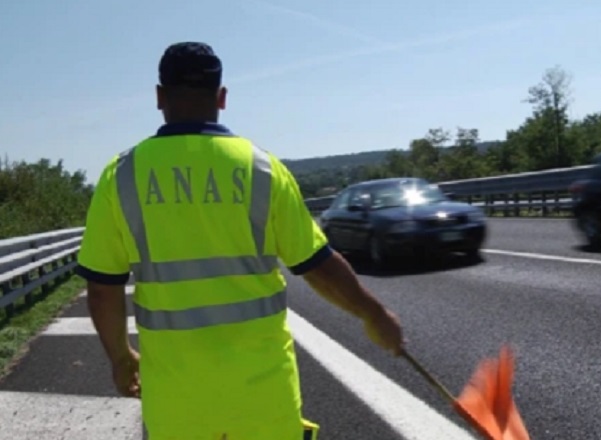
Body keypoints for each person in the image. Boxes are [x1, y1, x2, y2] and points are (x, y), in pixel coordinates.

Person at [75, 41, 405, 440]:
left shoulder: (121, 176)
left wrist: (120, 357)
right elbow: (318, 267)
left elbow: (102, 290)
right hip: (263, 399)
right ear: (222, 97)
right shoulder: (262, 168)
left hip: (177, 406)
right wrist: (373, 313)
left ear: (159, 97)